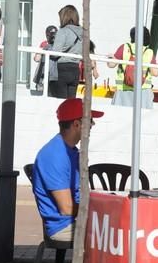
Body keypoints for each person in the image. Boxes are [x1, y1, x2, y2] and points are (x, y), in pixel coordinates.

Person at [32, 98, 104, 241]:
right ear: (77, 124)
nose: (92, 125)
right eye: (90, 121)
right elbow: (66, 208)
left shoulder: (69, 150)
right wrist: (99, 211)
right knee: (113, 234)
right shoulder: (55, 155)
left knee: (116, 228)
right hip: (63, 226)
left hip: (73, 221)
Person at [108, 26, 158, 109]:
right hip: (143, 92)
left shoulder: (124, 47)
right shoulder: (149, 52)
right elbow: (155, 73)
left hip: (123, 90)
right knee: (142, 118)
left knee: (120, 116)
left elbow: (111, 65)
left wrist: (111, 57)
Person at [51, 5, 84, 99]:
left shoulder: (63, 31)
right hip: (75, 70)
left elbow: (55, 53)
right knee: (71, 102)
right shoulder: (83, 33)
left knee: (61, 102)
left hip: (62, 69)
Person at [33, 25, 59, 96]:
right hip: (43, 74)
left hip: (51, 75)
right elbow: (36, 58)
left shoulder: (58, 45)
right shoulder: (45, 44)